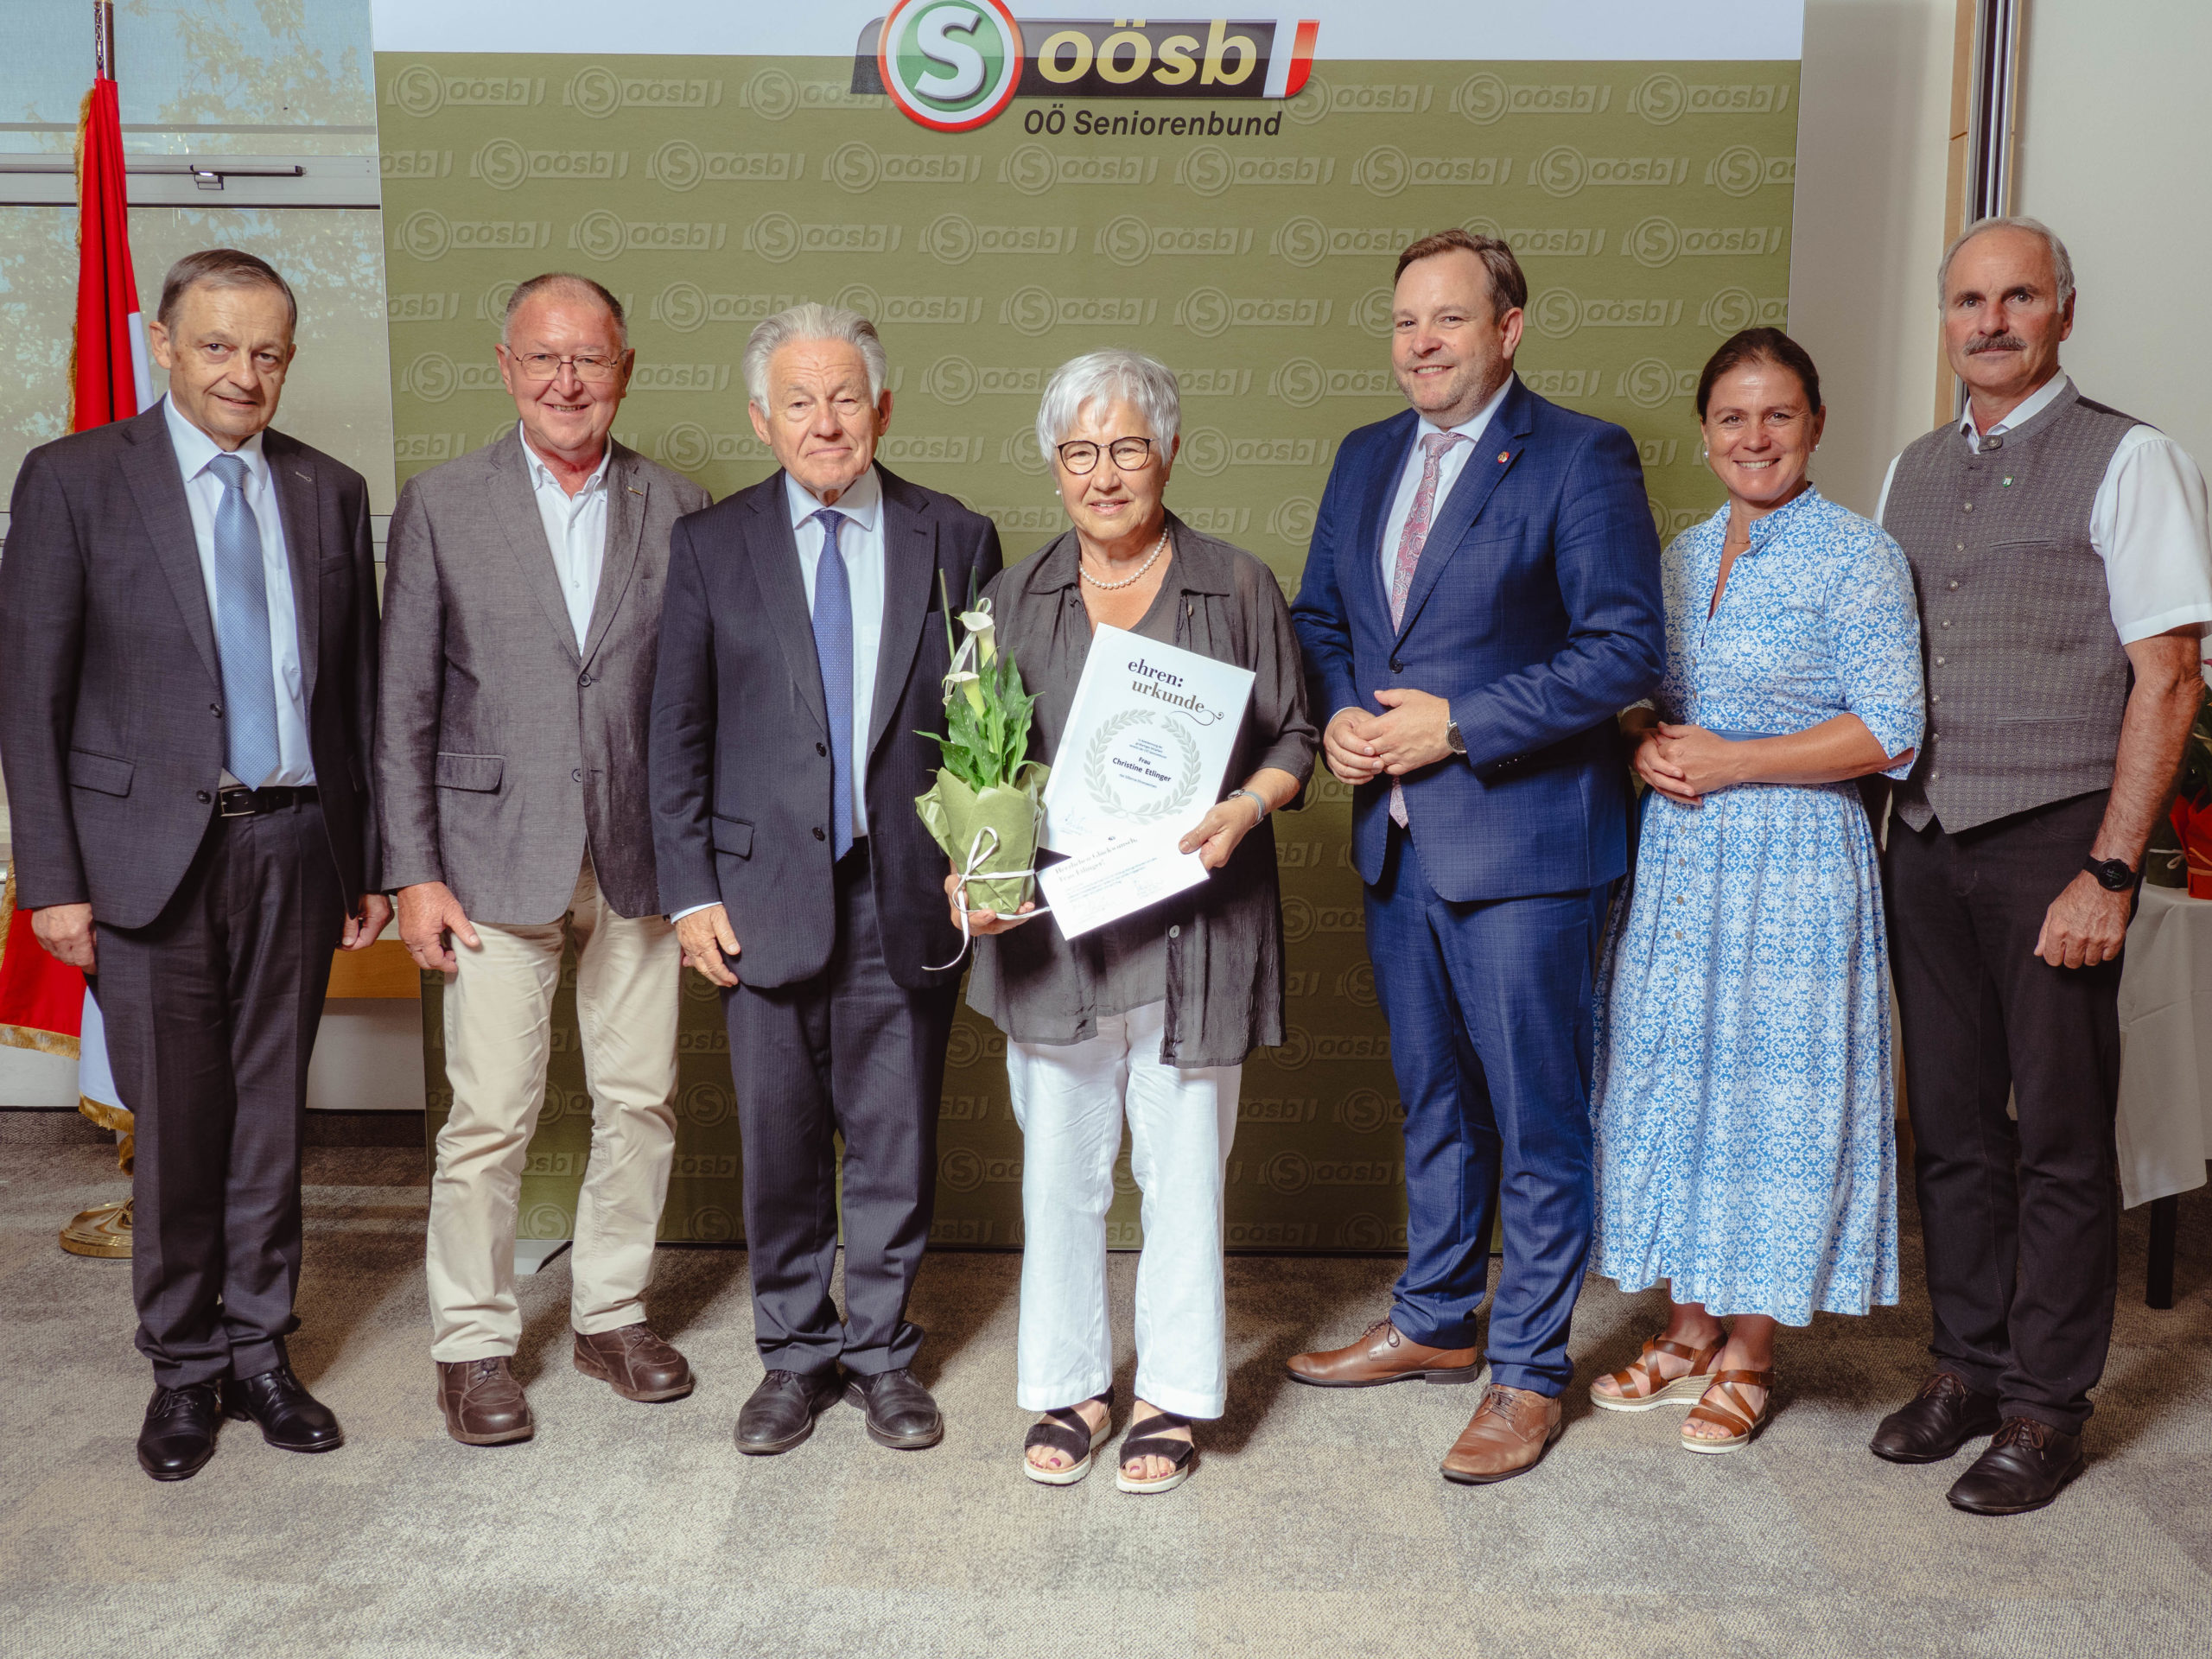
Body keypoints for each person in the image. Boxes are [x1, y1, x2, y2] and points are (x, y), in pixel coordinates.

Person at [0, 249, 388, 1480]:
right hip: (143, 858)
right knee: (177, 1122)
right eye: (217, 346)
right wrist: (53, 880)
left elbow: (356, 697)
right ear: (161, 344)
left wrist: (367, 861)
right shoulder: (73, 480)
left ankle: (262, 1351)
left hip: (298, 845)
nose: (243, 374)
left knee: (272, 1116)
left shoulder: (329, 490)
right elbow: (29, 695)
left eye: (267, 352)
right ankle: (181, 1367)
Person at [1287, 229, 1666, 1484]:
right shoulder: (1365, 454)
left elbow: (1624, 649)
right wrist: (1343, 713)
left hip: (1527, 847)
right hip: (1399, 847)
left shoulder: (1581, 454)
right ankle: (1438, 1320)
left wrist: (1458, 726)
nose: (1422, 344)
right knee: (1437, 1103)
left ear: (1509, 328)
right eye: (1406, 321)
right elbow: (1322, 618)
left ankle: (1528, 1373)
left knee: (1538, 1120)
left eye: (1448, 319)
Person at [1871, 217, 2212, 1515]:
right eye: (1970, 300)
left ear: (2064, 312)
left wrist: (2110, 870)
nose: (1992, 322)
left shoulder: (2132, 459)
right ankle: (1966, 1368)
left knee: (2061, 1139)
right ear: (1947, 318)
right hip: (1925, 839)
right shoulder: (1909, 470)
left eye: (2019, 297)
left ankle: (2043, 1408)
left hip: (2057, 843)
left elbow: (2169, 676)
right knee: (1952, 1130)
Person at [950, 350, 1318, 1493]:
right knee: (1059, 1178)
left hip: (1195, 938)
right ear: (1054, 464)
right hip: (1055, 939)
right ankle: (1068, 1384)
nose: (1103, 475)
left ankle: (1171, 1394)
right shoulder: (1006, 601)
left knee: (1184, 1177)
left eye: (1126, 448)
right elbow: (975, 767)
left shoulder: (1238, 586)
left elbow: (1297, 735)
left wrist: (1247, 806)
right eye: (1080, 452)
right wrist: (972, 871)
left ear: (1169, 452)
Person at [650, 302, 1001, 1457]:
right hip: (759, 902)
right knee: (782, 1143)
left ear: (882, 408)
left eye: (845, 397)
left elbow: (986, 726)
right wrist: (692, 893)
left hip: (908, 894)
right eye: (798, 401)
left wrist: (984, 860)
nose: (825, 420)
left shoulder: (958, 536)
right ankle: (794, 1356)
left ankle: (882, 1356)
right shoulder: (711, 545)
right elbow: (676, 733)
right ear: (762, 420)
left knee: (896, 1143)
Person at [377, 272, 711, 1446]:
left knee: (641, 1100)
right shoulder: (441, 504)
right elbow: (402, 702)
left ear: (625, 370)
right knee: (488, 1116)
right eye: (544, 359)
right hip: (488, 856)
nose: (568, 382)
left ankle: (611, 1316)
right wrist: (413, 869)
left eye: (591, 359)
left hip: (639, 855)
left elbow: (698, 703)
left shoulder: (682, 506)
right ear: (507, 367)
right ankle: (472, 1344)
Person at [1587, 330, 1924, 1451]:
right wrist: (1644, 737)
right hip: (1684, 861)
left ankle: (1751, 1351)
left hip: (1795, 862)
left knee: (1773, 1100)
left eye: (1779, 414)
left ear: (1815, 425)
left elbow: (1891, 729)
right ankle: (1687, 1329)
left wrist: (1736, 760)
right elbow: (1643, 692)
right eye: (1734, 417)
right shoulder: (1680, 556)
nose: (1756, 437)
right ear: (1705, 433)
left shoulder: (1857, 555)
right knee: (1676, 1079)